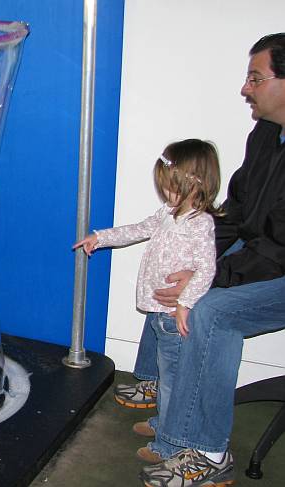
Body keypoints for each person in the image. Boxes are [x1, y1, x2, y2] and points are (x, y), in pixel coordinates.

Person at [140, 33, 285, 486]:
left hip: (279, 266)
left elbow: (279, 249)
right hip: (261, 255)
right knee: (169, 262)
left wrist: (207, 276)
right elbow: (237, 212)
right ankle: (162, 398)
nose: (246, 88)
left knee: (211, 311)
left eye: (255, 78)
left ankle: (208, 451)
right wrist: (189, 248)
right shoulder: (265, 135)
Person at [74, 139, 223, 464]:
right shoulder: (169, 214)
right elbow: (139, 229)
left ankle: (169, 443)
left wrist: (184, 303)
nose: (165, 193)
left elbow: (206, 269)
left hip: (173, 317)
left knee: (173, 383)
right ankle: (162, 424)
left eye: (170, 186)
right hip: (159, 314)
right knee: (165, 379)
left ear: (194, 183)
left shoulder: (201, 224)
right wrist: (101, 237)